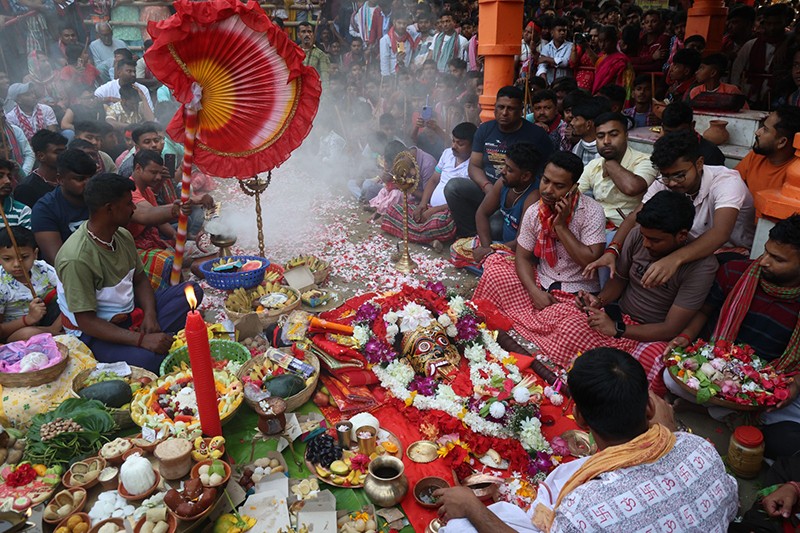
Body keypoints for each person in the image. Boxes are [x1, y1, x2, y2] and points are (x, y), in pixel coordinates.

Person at [436, 347, 738, 533]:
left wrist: (472, 508)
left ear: (579, 419)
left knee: (462, 527)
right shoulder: (699, 448)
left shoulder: (585, 508)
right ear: (649, 407)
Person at [664, 215, 800, 449]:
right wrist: (685, 337)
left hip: (774, 374)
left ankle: (712, 410)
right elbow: (704, 312)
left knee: (792, 411)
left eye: (777, 259)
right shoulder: (735, 272)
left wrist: (795, 385)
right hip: (721, 364)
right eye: (766, 251)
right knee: (671, 378)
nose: (764, 261)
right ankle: (733, 415)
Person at [55, 173, 201, 372]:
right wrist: (142, 340)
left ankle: (148, 339)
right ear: (109, 209)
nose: (134, 209)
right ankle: (142, 344)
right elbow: (87, 322)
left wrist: (150, 315)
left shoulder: (122, 235)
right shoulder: (76, 258)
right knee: (151, 361)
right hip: (96, 334)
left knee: (192, 291)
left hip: (131, 314)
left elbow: (140, 280)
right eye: (128, 204)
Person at [587, 130, 754, 289]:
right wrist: (613, 250)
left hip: (727, 251)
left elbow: (720, 233)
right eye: (666, 176)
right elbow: (634, 218)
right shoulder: (663, 182)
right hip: (682, 243)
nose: (672, 183)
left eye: (679, 175)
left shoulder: (727, 182)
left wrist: (674, 260)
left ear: (699, 163)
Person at [473, 151, 605, 320]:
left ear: (574, 188)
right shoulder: (535, 211)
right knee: (494, 269)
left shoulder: (592, 212)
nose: (548, 190)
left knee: (572, 325)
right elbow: (523, 257)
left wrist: (561, 226)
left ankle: (537, 318)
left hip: (577, 292)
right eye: (545, 181)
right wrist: (534, 292)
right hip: (542, 281)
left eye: (559, 186)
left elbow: (589, 261)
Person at [444, 86, 553, 239]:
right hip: (487, 188)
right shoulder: (485, 129)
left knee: (494, 227)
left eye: (511, 108)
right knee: (453, 187)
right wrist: (487, 187)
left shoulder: (536, 135)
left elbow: (546, 171)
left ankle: (490, 244)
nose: (504, 113)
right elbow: (474, 166)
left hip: (515, 195)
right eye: (500, 107)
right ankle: (469, 236)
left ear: (521, 110)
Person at [381, 123, 476, 249]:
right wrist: (422, 205)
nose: (454, 146)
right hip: (430, 207)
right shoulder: (447, 154)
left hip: (448, 214)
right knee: (393, 210)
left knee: (439, 223)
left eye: (460, 144)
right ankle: (428, 239)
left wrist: (434, 211)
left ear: (473, 146)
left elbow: (463, 202)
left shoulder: (474, 167)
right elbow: (433, 180)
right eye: (453, 141)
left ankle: (421, 236)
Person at [577, 112, 658, 229]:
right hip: (595, 226)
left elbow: (632, 187)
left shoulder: (645, 161)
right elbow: (574, 193)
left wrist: (610, 163)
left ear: (626, 136)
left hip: (627, 229)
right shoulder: (594, 165)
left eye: (613, 135)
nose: (606, 141)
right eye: (600, 136)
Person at [464, 142, 541, 266]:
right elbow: (481, 213)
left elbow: (521, 243)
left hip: (519, 252)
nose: (502, 171)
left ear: (525, 176)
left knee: (495, 269)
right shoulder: (503, 182)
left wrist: (490, 251)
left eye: (509, 169)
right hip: (499, 244)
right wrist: (486, 247)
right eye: (504, 165)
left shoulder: (533, 197)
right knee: (458, 250)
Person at [32, 149, 96, 265]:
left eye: (92, 177)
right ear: (60, 179)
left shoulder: (101, 197)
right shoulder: (45, 209)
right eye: (80, 179)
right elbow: (59, 261)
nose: (89, 183)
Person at [0, 226, 61, 341]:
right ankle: (55, 335)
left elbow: (68, 292)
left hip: (47, 321)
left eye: (24, 257)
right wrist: (28, 319)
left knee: (70, 301)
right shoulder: (1, 284)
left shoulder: (42, 269)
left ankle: (53, 333)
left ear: (35, 254)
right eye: (7, 259)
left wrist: (54, 327)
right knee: (30, 334)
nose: (17, 264)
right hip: (15, 332)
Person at [731, 3, 791, 109]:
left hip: (779, 96)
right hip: (749, 95)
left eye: (777, 23)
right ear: (764, 23)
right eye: (769, 24)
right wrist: (736, 93)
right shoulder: (751, 44)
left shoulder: (791, 45)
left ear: (785, 22)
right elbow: (737, 70)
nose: (772, 28)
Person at [736, 105, 800, 199]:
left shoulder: (795, 173)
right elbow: (730, 181)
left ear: (782, 142)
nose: (757, 132)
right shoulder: (756, 156)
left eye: (765, 130)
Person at [659, 101, 725, 166]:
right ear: (663, 128)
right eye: (669, 133)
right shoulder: (663, 148)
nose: (674, 138)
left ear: (692, 126)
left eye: (680, 132)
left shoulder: (711, 153)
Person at [15, 130, 67, 208]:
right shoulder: (26, 189)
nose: (64, 155)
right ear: (41, 156)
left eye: (65, 151)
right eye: (58, 152)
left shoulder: (69, 180)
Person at [591, 26, 632, 95]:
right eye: (600, 41)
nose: (602, 45)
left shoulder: (621, 60)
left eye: (606, 41)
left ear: (614, 41)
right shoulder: (601, 59)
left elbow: (623, 85)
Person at [379, 10, 417, 78]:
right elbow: (384, 62)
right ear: (394, 22)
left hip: (406, 77)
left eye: (404, 23)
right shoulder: (385, 40)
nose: (402, 26)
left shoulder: (410, 39)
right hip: (392, 76)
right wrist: (387, 79)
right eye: (399, 23)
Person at [570, 97, 608, 165]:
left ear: (588, 124)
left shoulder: (607, 152)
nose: (572, 123)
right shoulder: (578, 147)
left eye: (576, 119)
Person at [536, 17, 573, 85]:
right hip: (549, 82)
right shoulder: (546, 47)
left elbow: (565, 62)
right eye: (559, 30)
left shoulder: (570, 46)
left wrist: (546, 59)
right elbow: (541, 65)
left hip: (565, 84)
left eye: (564, 30)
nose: (562, 33)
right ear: (552, 32)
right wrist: (544, 80)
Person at [0, 115, 35, 179]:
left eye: (2, 111)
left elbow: (29, 154)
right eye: (3, 146)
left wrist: (22, 173)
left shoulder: (15, 130)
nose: (10, 148)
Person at [0, 159, 32, 230]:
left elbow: (27, 240)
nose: (7, 181)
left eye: (10, 177)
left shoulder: (22, 212)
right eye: (0, 176)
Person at [299, 21, 331, 86]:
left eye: (309, 32)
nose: (307, 34)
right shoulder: (293, 52)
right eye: (303, 32)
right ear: (298, 35)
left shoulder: (320, 54)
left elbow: (325, 78)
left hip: (313, 89)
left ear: (313, 34)